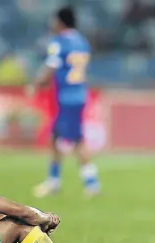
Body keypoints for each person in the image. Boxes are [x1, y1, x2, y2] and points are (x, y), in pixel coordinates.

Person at [27, 6, 100, 198]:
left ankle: (91, 183)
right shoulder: (82, 41)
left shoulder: (60, 41)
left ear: (60, 22)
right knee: (54, 137)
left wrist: (35, 84)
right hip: (79, 94)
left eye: (54, 20)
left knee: (76, 141)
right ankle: (54, 181)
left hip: (67, 98)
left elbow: (51, 66)